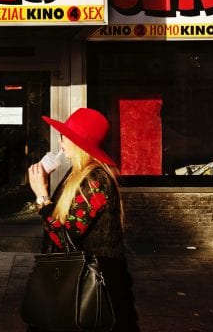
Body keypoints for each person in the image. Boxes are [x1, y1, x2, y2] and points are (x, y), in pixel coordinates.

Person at [27, 108, 140, 332]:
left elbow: (64, 238)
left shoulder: (96, 179)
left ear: (79, 143)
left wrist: (41, 196)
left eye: (64, 137)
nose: (60, 144)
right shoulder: (78, 175)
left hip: (92, 289)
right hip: (77, 282)